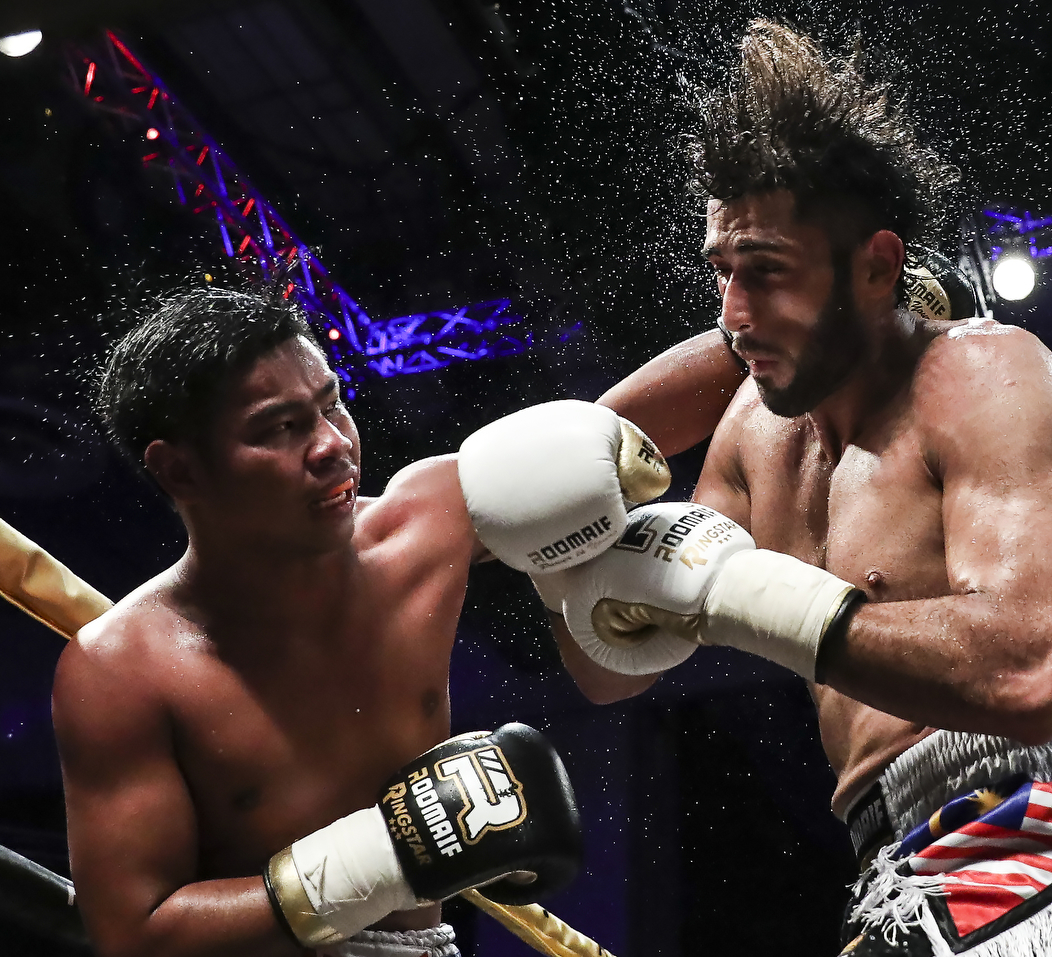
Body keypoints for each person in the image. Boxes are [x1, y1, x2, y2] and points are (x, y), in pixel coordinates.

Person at [538, 21, 1052, 956]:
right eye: (724, 273)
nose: (734, 315)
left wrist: (739, 595)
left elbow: (1028, 669)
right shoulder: (751, 440)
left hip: (1035, 833)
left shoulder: (982, 377)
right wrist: (555, 535)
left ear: (877, 267)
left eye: (767, 272)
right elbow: (610, 659)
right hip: (893, 868)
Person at [51, 288, 647, 957]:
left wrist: (762, 326)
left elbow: (610, 436)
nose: (332, 445)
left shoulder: (424, 522)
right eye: (280, 427)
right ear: (180, 469)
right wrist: (384, 860)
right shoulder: (122, 669)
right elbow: (135, 935)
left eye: (331, 403)